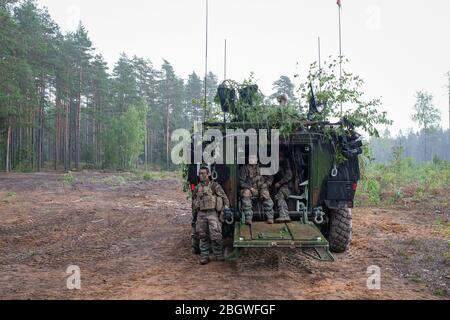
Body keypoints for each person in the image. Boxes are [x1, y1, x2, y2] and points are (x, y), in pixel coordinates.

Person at [192, 165, 230, 265]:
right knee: (202, 235)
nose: (201, 175)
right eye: (200, 174)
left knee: (216, 235)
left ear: (208, 174)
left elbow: (225, 198)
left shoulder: (214, 186)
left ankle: (218, 254)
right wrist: (194, 216)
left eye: (203, 173)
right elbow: (194, 202)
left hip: (212, 213)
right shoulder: (197, 188)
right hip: (201, 214)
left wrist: (224, 210)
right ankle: (204, 256)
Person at [239, 155, 274, 225]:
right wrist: (250, 188)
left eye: (253, 158)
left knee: (265, 193)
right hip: (251, 190)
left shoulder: (262, 167)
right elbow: (240, 182)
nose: (252, 159)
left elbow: (271, 177)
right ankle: (248, 218)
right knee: (246, 192)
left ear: (257, 159)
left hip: (261, 190)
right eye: (250, 158)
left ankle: (270, 217)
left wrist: (266, 184)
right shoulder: (244, 168)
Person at [273, 151, 294, 223]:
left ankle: (284, 215)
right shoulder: (280, 165)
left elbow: (289, 176)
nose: (278, 159)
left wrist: (279, 183)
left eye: (279, 157)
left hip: (288, 187)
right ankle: (284, 215)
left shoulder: (286, 164)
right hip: (284, 186)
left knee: (280, 196)